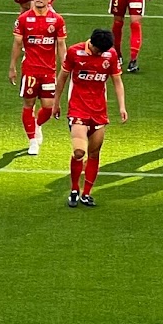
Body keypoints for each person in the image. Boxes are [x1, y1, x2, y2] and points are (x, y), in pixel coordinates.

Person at [53, 28, 127, 207]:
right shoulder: (74, 52)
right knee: (79, 152)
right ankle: (74, 189)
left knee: (94, 154)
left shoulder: (110, 55)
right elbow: (62, 78)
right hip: (77, 110)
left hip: (99, 112)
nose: (100, 54)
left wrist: (122, 107)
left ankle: (86, 193)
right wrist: (56, 103)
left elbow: (117, 81)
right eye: (98, 51)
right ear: (91, 43)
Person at [9, 0, 66, 155]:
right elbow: (17, 44)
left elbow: (61, 45)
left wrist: (65, 65)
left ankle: (37, 124)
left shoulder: (57, 20)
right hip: (30, 70)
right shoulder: (23, 19)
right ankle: (32, 140)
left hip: (49, 71)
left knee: (48, 107)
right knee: (29, 104)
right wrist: (12, 66)